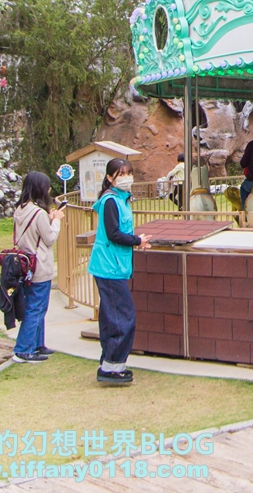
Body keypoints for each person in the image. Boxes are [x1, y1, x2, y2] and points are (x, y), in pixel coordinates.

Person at [88, 158, 153, 385]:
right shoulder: (110, 201)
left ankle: (109, 363)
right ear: (109, 178)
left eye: (128, 173)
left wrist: (137, 241)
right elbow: (114, 233)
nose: (126, 178)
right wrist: (137, 240)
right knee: (123, 317)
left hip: (113, 265)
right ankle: (113, 367)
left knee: (110, 316)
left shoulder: (121, 200)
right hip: (109, 266)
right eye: (120, 174)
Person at [11, 172, 63, 363]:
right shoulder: (39, 212)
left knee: (35, 306)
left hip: (25, 264)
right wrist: (56, 220)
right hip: (40, 265)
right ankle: (23, 349)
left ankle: (37, 344)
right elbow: (49, 238)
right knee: (36, 308)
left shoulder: (20, 209)